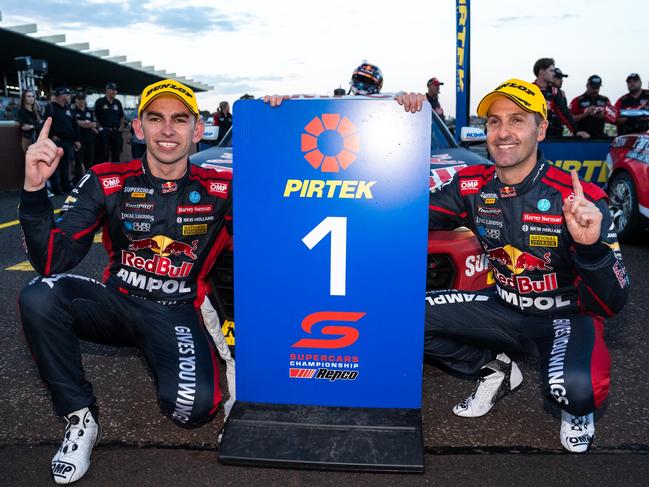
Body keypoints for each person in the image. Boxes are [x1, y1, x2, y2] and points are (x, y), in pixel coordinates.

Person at [18, 78, 234, 484]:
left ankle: (162, 355)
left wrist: (282, 116)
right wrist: (34, 188)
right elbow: (52, 260)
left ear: (198, 129)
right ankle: (80, 417)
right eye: (155, 119)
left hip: (177, 315)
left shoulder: (222, 189)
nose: (167, 130)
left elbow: (284, 218)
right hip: (116, 305)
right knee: (40, 295)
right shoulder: (107, 179)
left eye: (179, 119)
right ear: (139, 128)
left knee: (193, 412)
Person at [417, 79, 629, 453]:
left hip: (564, 316)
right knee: (406, 316)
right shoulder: (471, 185)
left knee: (575, 391)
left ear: (541, 129)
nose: (503, 133)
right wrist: (407, 111)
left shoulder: (579, 197)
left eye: (517, 120)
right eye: (494, 122)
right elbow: (400, 213)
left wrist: (592, 248)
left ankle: (576, 407)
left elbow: (613, 303)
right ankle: (497, 368)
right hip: (501, 306)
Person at [532, 58, 589, 138]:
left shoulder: (554, 91)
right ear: (541, 71)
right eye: (551, 71)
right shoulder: (529, 90)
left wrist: (576, 131)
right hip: (535, 137)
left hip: (554, 136)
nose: (553, 74)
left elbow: (564, 112)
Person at [43, 87, 80, 194]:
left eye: (69, 95)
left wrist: (77, 140)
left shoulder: (69, 109)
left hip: (68, 142)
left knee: (66, 165)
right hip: (56, 141)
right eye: (66, 95)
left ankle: (66, 185)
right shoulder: (51, 107)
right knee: (56, 166)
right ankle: (56, 188)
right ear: (60, 96)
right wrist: (50, 135)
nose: (68, 97)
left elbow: (75, 125)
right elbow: (46, 122)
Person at [94, 81, 125, 163]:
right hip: (104, 131)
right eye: (112, 90)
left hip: (116, 131)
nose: (114, 92)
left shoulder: (117, 103)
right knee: (104, 155)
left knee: (117, 154)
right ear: (107, 90)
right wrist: (100, 128)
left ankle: (116, 174)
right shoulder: (100, 102)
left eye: (115, 90)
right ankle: (105, 174)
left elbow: (122, 116)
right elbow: (95, 116)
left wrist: (121, 128)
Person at [72, 93, 98, 180]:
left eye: (82, 99)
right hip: (79, 139)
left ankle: (88, 180)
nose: (81, 101)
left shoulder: (89, 111)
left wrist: (82, 123)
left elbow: (94, 124)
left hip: (90, 139)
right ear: (76, 100)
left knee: (89, 160)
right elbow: (74, 123)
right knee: (78, 161)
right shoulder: (73, 111)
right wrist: (87, 123)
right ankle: (77, 180)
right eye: (79, 99)